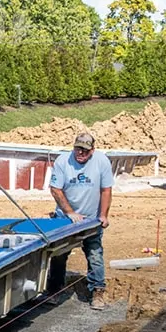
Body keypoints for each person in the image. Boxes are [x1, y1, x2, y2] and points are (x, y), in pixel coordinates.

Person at [48, 131, 113, 309]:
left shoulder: (102, 161)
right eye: (78, 149)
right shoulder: (63, 161)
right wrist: (69, 212)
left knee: (95, 255)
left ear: (92, 150)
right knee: (59, 255)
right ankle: (54, 290)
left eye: (85, 150)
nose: (80, 153)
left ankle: (97, 292)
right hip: (66, 219)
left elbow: (106, 190)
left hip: (91, 219)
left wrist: (103, 215)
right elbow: (55, 189)